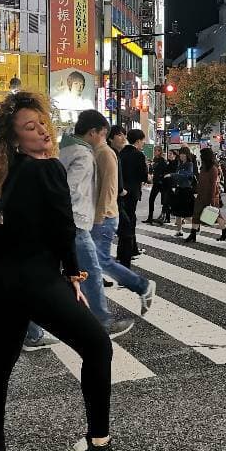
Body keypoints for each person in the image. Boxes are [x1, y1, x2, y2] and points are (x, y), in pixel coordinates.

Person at [0, 90, 127, 451]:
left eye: (41, 122)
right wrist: (73, 277)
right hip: (36, 280)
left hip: (2, 280)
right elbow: (64, 229)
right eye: (30, 126)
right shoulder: (48, 169)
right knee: (97, 346)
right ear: (13, 139)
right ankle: (97, 442)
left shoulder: (8, 174)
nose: (42, 129)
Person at [59, 109, 137, 338]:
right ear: (93, 132)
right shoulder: (84, 155)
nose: (105, 139)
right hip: (76, 222)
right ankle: (102, 321)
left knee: (55, 273)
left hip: (66, 222)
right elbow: (70, 191)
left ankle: (33, 330)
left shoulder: (65, 149)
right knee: (91, 271)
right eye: (103, 134)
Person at [91, 121, 156, 317]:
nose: (123, 138)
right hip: (112, 207)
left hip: (107, 210)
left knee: (97, 256)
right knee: (99, 255)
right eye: (119, 134)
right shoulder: (111, 153)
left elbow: (110, 183)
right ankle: (136, 282)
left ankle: (138, 285)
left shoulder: (110, 153)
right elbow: (111, 184)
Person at [184, 147, 226, 243]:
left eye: (202, 155)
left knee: (216, 216)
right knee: (196, 215)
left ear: (206, 156)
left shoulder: (213, 169)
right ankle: (193, 234)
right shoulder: (204, 167)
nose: (200, 157)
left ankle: (225, 232)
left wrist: (211, 200)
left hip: (209, 196)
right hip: (201, 194)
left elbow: (213, 185)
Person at [119, 129, 148, 262]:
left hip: (121, 191)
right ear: (137, 141)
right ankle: (127, 251)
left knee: (126, 220)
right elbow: (143, 176)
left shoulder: (121, 153)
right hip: (133, 192)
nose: (143, 143)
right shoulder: (139, 155)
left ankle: (132, 249)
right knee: (130, 220)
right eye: (142, 141)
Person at [170, 147, 197, 237]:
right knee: (177, 212)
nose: (181, 155)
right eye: (180, 154)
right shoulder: (180, 164)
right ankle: (179, 230)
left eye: (183, 154)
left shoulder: (189, 164)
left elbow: (187, 175)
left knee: (187, 213)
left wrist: (174, 175)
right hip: (179, 189)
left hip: (186, 190)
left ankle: (196, 226)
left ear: (187, 155)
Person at [144, 146, 168, 224]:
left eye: (156, 150)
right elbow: (153, 170)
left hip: (161, 183)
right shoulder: (155, 160)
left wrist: (160, 177)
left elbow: (164, 171)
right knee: (151, 199)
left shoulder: (163, 161)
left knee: (164, 200)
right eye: (154, 150)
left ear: (160, 151)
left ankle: (165, 216)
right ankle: (150, 217)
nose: (154, 152)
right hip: (156, 182)